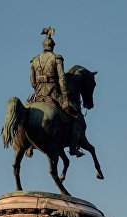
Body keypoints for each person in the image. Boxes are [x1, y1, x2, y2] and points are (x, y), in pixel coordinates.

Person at [30, 27, 83, 156]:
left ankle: (28, 147)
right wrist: (65, 94)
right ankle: (73, 148)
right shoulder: (57, 58)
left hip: (38, 93)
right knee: (76, 117)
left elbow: (32, 81)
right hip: (53, 92)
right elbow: (62, 78)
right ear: (53, 46)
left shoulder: (34, 60)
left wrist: (38, 88)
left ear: (43, 46)